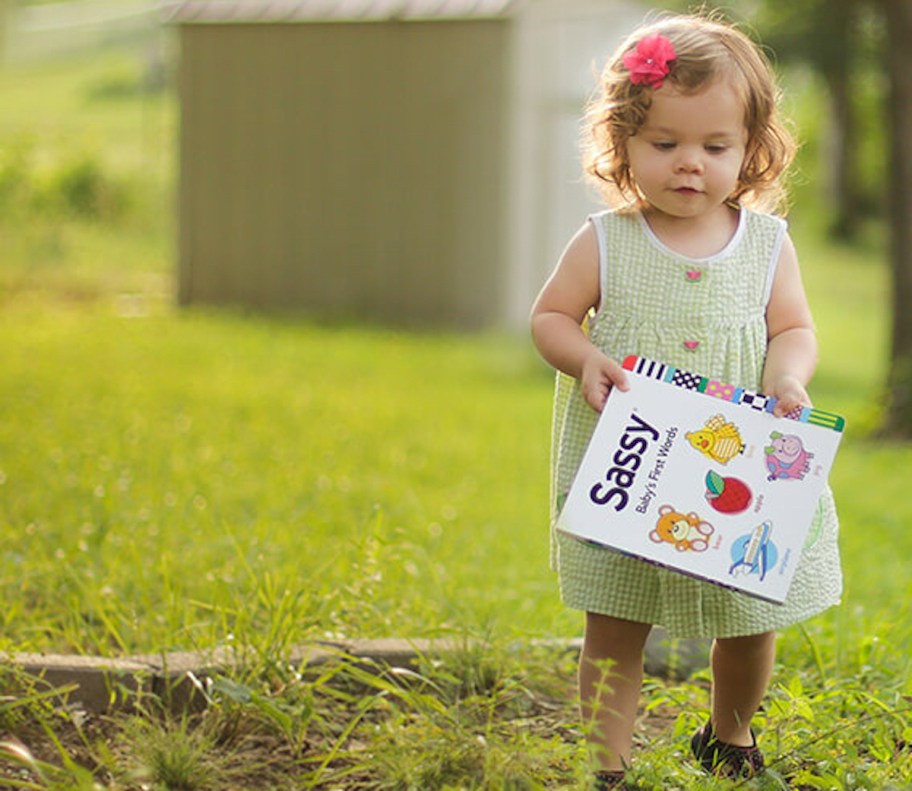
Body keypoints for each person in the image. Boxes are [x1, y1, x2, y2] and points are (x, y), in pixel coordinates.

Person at [529, 11, 841, 789]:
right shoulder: (607, 240)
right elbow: (550, 316)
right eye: (664, 144)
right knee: (616, 621)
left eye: (714, 146)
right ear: (624, 143)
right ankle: (608, 764)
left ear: (752, 149)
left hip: (737, 461)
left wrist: (788, 376)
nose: (688, 165)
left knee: (748, 617)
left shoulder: (766, 245)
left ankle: (729, 732)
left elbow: (794, 326)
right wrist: (586, 357)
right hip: (632, 464)